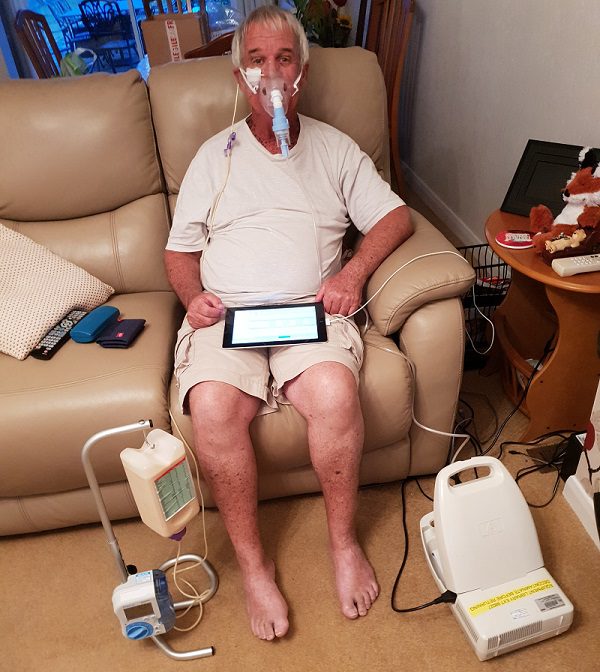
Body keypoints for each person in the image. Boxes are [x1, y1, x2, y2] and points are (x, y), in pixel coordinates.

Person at [164, 6, 413, 641]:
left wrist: (351, 275)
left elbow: (394, 218)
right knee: (212, 405)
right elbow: (179, 252)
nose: (271, 73)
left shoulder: (335, 149)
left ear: (302, 70)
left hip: (312, 311)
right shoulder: (214, 156)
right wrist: (193, 297)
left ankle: (343, 544)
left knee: (333, 391)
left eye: (283, 59)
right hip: (229, 316)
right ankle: (255, 568)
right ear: (240, 76)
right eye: (257, 60)